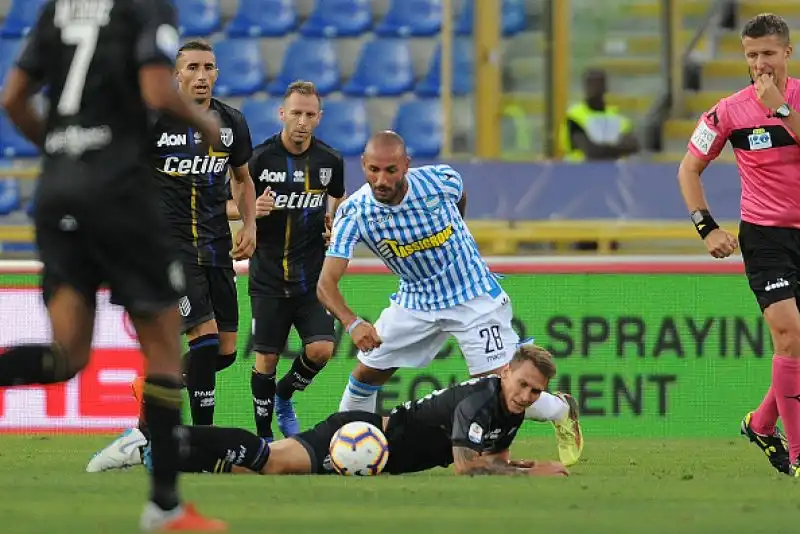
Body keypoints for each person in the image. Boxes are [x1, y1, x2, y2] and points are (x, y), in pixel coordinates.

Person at [0, 0, 225, 530]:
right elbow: (155, 89)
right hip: (120, 195)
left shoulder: (57, 9)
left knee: (68, 354)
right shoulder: (146, 6)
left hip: (58, 194)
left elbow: (12, 97)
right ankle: (165, 508)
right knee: (165, 343)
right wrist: (203, 122)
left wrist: (61, 155)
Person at [317, 131, 583, 467]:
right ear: (363, 165)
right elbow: (325, 283)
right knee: (365, 376)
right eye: (372, 170)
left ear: (406, 166)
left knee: (504, 389)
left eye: (390, 171)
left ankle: (561, 409)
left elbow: (459, 199)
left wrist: (456, 239)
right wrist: (352, 322)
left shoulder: (441, 180)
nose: (380, 180)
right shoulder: (354, 212)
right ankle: (351, 454)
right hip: (414, 300)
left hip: (473, 297)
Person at [86, 38, 262, 474]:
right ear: (176, 75)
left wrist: (251, 224)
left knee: (221, 352)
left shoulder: (231, 122)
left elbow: (243, 179)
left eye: (210, 67)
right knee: (201, 342)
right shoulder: (153, 120)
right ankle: (201, 450)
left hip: (217, 248)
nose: (202, 75)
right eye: (193, 68)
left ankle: (147, 404)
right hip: (169, 248)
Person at [677, 13, 800, 476]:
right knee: (788, 334)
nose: (760, 64)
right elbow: (688, 169)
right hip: (765, 235)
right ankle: (798, 454)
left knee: (799, 346)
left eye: (768, 53)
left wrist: (782, 111)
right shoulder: (728, 110)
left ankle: (762, 423)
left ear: (787, 52)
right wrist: (706, 227)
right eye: (752, 55)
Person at [146, 344, 569, 477]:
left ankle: (167, 456)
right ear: (506, 372)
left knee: (250, 471)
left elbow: (492, 460)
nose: (528, 396)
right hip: (361, 437)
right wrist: (531, 474)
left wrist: (520, 467)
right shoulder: (480, 398)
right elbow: (465, 466)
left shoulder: (510, 409)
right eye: (523, 384)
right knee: (270, 459)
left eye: (536, 392)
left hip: (373, 457)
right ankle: (158, 438)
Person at [247, 80, 346, 441]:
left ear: (319, 118)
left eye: (309, 114)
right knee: (266, 361)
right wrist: (251, 211)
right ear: (282, 114)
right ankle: (264, 438)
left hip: (312, 279)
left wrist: (334, 222)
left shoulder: (329, 160)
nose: (301, 121)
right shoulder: (260, 159)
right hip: (268, 278)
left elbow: (339, 198)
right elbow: (233, 202)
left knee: (321, 349)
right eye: (296, 113)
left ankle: (284, 395)